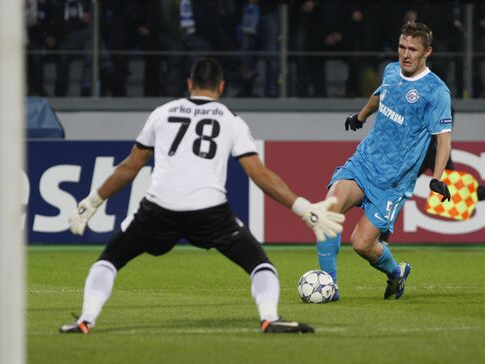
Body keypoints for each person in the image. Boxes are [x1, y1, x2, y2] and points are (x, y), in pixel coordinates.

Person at [59, 58, 344, 335]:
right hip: (209, 211)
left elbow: (130, 167)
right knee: (260, 265)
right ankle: (269, 318)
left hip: (158, 208)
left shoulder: (162, 112)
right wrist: (304, 209)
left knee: (108, 260)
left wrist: (91, 202)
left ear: (189, 84)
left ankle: (86, 319)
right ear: (221, 87)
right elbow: (259, 174)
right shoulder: (230, 120)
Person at [317, 21, 453, 302]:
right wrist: (360, 116)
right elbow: (380, 96)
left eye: (412, 49)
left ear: (427, 51)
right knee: (328, 209)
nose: (405, 54)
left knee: (362, 244)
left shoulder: (436, 91)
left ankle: (395, 275)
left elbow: (443, 140)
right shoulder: (392, 71)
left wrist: (438, 177)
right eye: (402, 47)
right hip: (364, 163)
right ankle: (329, 286)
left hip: (393, 181)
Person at [379, 108, 485, 242]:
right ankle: (382, 239)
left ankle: (382, 239)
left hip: (428, 149)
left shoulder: (433, 99)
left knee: (396, 190)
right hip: (429, 148)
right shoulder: (439, 99)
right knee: (397, 190)